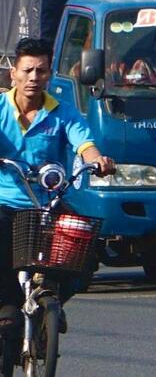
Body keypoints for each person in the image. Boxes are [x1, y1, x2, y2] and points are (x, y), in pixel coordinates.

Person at [0, 38, 114, 366]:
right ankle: (6, 307)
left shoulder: (62, 113)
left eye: (41, 70)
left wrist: (98, 160)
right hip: (4, 204)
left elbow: (85, 144)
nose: (34, 76)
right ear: (14, 75)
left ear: (50, 74)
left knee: (85, 250)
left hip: (46, 206)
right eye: (28, 70)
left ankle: (54, 303)